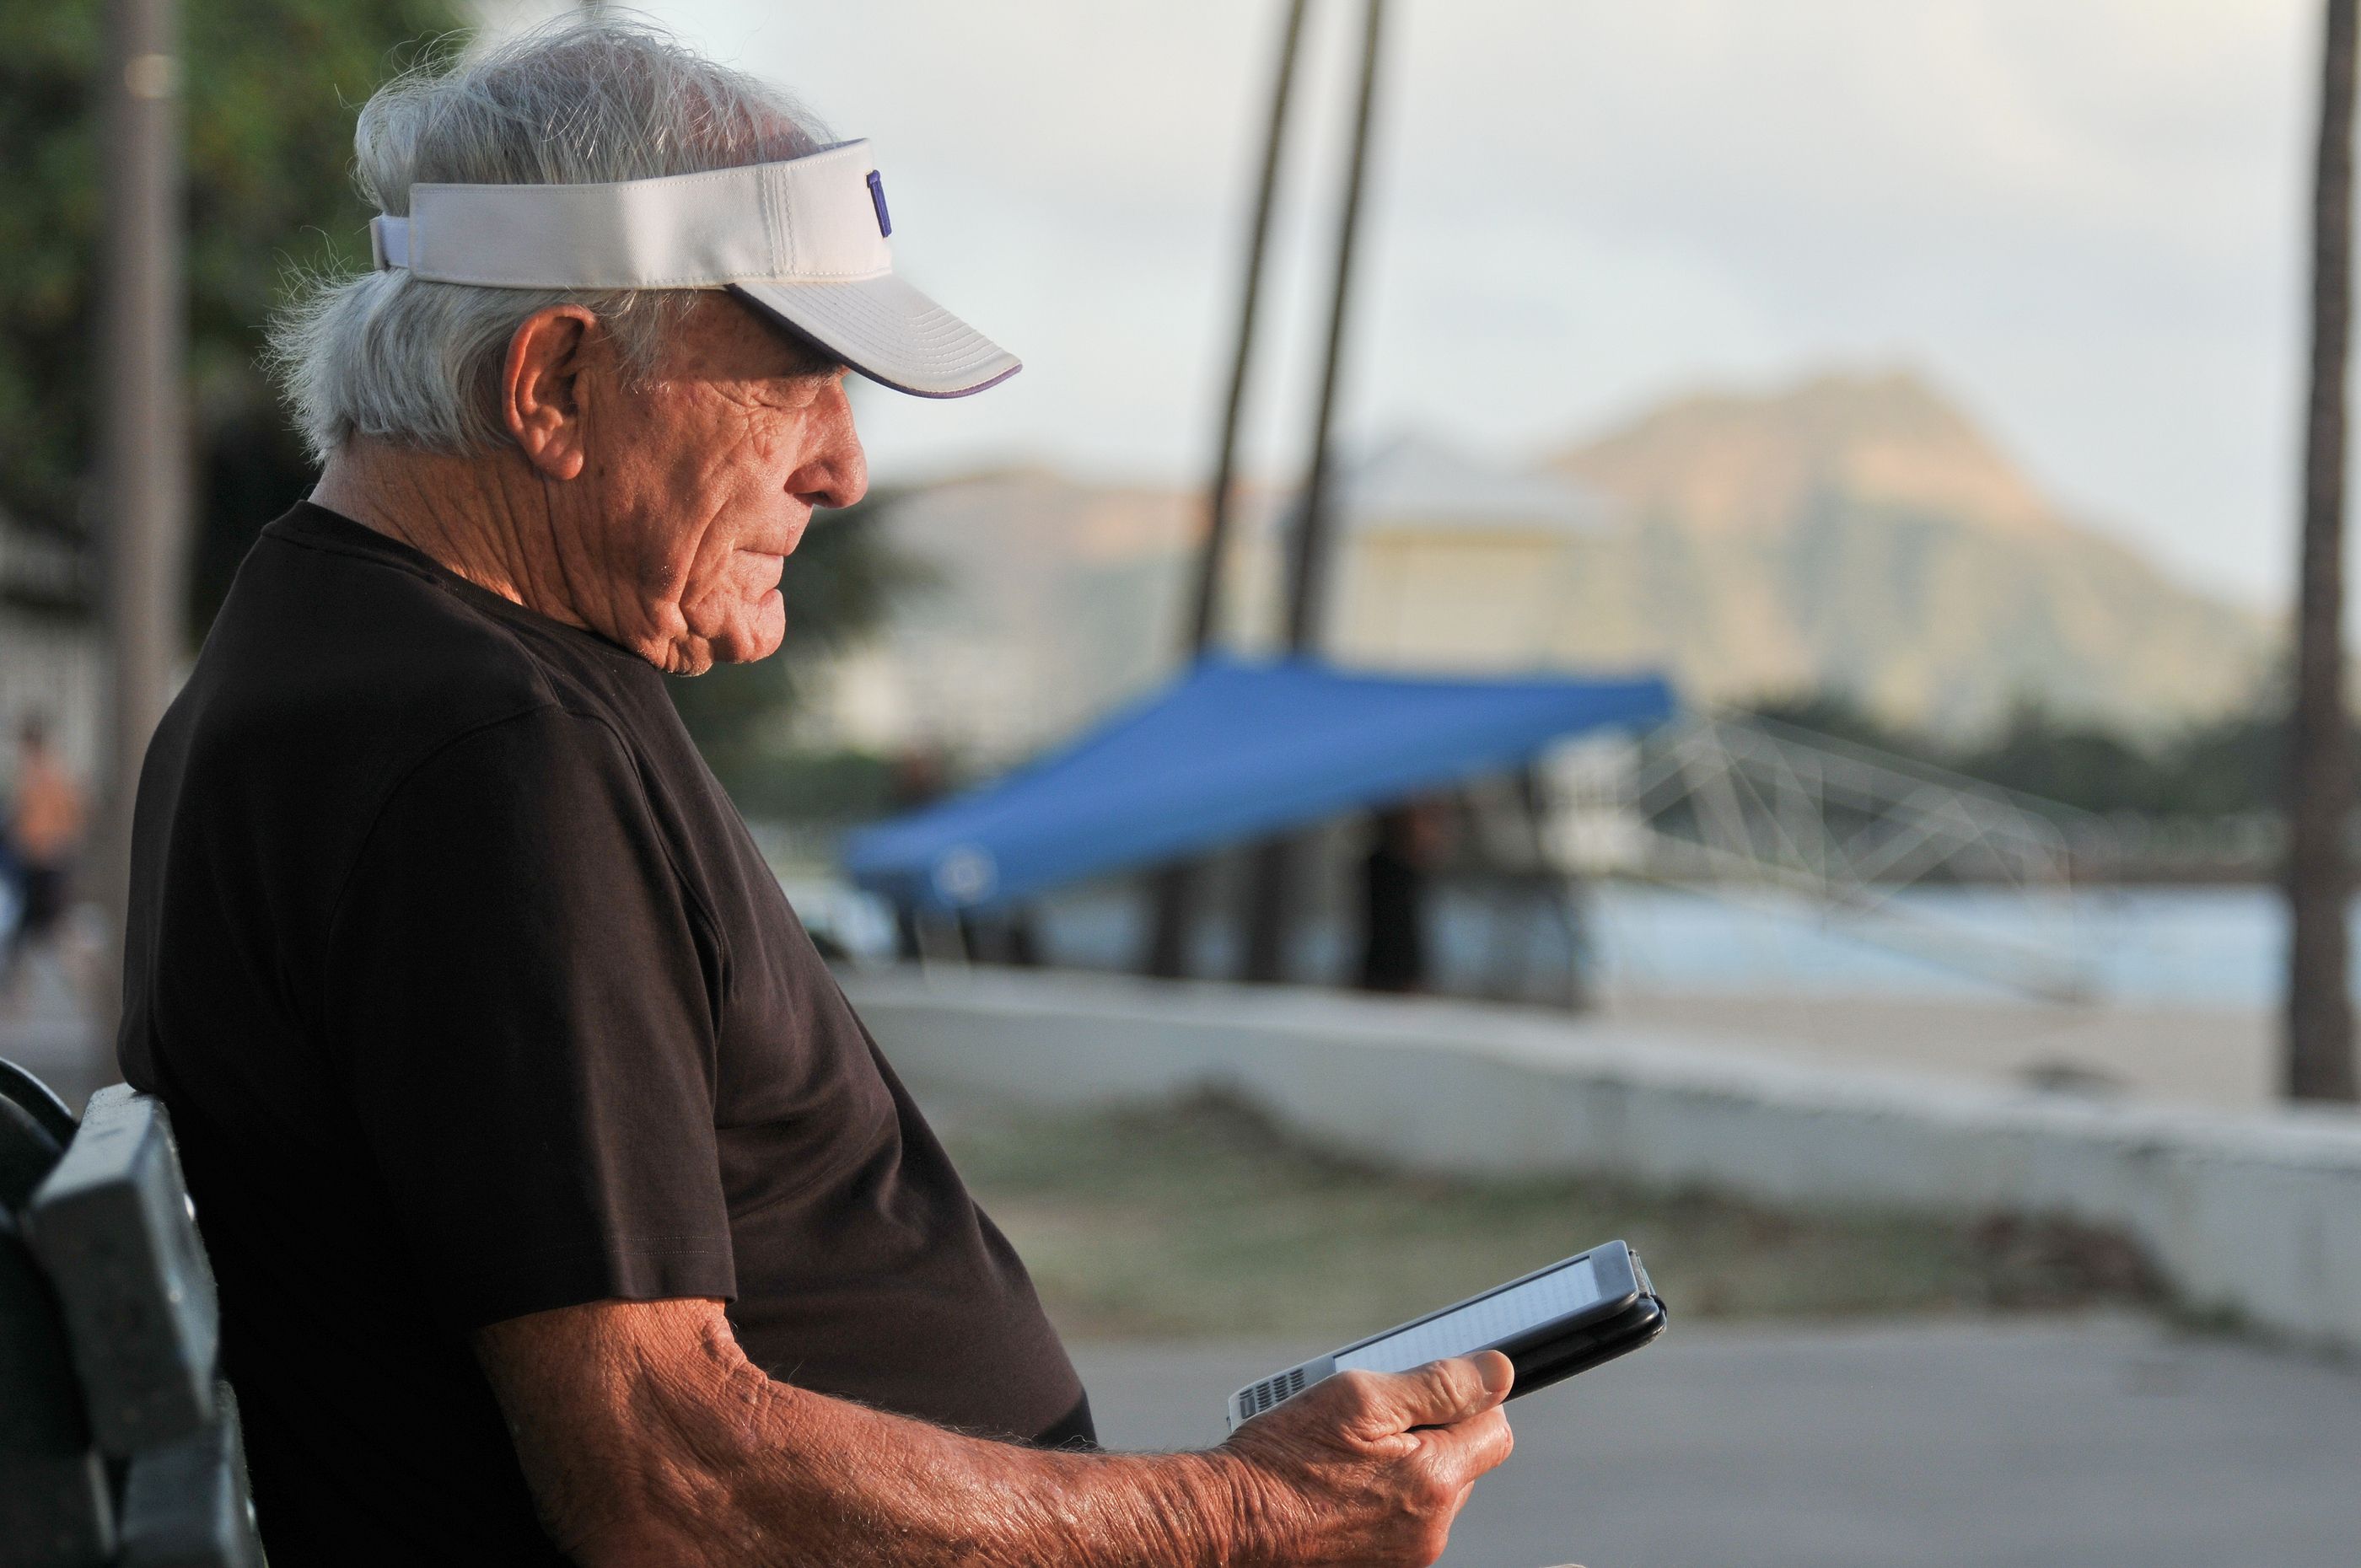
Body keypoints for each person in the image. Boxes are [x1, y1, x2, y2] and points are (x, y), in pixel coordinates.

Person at [118, 19, 1514, 1566]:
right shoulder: (482, 752)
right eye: (794, 384)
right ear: (557, 382)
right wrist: (1238, 1519)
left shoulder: (358, 653)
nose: (846, 467)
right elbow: (667, 1477)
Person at [3, 715, 84, 1001]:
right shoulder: (34, 773)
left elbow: (69, 814)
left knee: (57, 931)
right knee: (26, 933)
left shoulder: (48, 773)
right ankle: (16, 995)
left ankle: (90, 986)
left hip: (47, 861)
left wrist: (52, 842)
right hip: (35, 862)